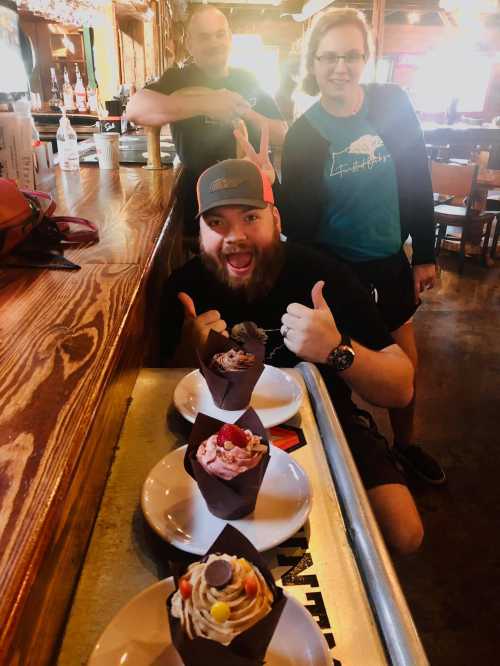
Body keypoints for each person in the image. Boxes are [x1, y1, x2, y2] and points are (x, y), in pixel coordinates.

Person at [160, 156, 424, 555]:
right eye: (217, 223)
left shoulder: (321, 273)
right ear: (198, 231)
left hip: (324, 416)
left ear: (276, 220)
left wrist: (338, 351)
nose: (235, 237)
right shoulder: (184, 288)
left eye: (250, 217)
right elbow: (157, 395)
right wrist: (185, 349)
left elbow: (401, 387)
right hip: (215, 434)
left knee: (403, 532)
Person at [270, 8, 445, 485]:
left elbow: (415, 178)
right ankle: (346, 456)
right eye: (328, 57)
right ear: (314, 62)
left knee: (403, 371)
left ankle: (406, 446)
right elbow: (302, 226)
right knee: (336, 368)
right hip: (336, 271)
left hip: (389, 263)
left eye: (350, 55)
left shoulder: (392, 104)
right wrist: (275, 188)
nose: (339, 67)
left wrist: (424, 252)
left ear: (365, 57)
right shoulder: (304, 134)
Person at [126, 4, 287, 239]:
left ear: (230, 38)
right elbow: (135, 108)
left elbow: (282, 134)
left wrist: (242, 111)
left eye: (219, 34)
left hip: (254, 201)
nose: (214, 43)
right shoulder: (177, 79)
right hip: (201, 203)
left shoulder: (248, 79)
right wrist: (208, 103)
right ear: (190, 44)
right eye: (204, 37)